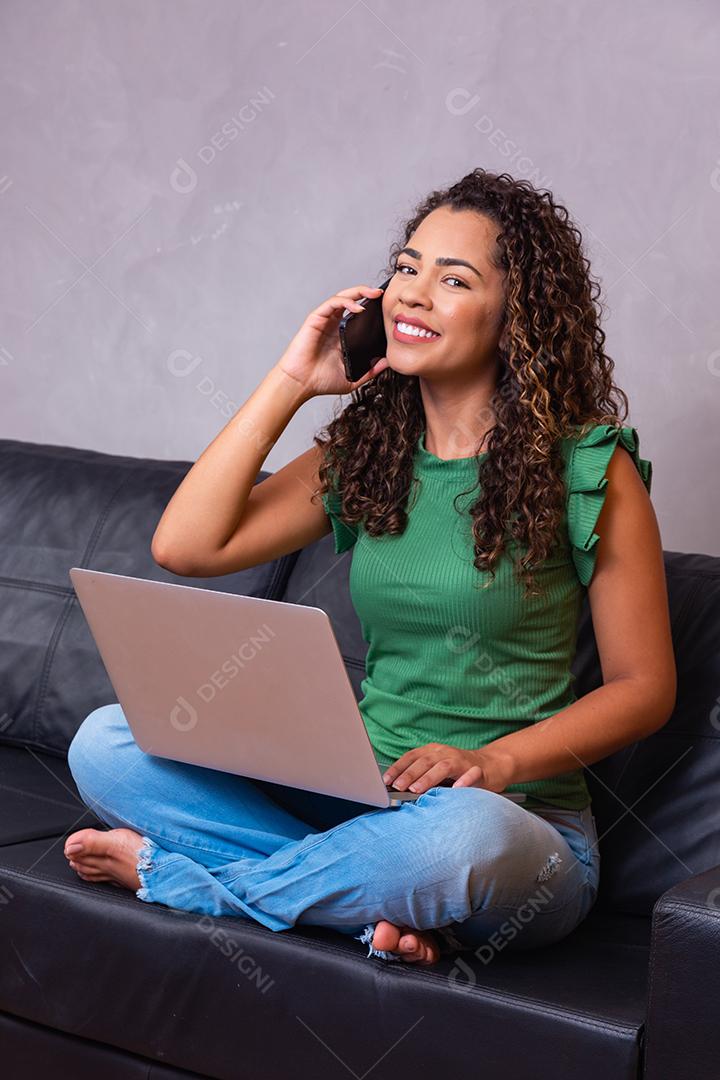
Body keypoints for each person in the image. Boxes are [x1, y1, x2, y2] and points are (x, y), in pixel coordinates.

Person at [64, 168, 676, 967]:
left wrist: (496, 762)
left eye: (452, 279)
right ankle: (363, 908)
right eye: (407, 267)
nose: (413, 294)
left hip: (510, 826)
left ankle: (188, 885)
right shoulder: (368, 455)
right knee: (104, 743)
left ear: (514, 317)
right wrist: (294, 380)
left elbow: (644, 688)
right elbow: (187, 546)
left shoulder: (589, 467)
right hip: (355, 802)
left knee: (464, 841)